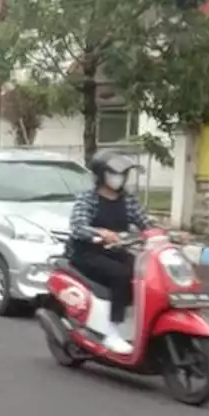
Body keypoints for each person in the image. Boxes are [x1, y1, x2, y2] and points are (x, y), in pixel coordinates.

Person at [66, 149, 153, 355]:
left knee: (146, 273)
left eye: (122, 174)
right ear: (101, 175)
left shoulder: (128, 200)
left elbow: (145, 222)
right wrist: (101, 233)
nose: (119, 178)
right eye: (114, 173)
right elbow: (78, 225)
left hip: (117, 252)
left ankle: (139, 325)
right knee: (121, 275)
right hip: (88, 254)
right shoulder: (89, 198)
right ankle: (112, 333)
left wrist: (164, 233)